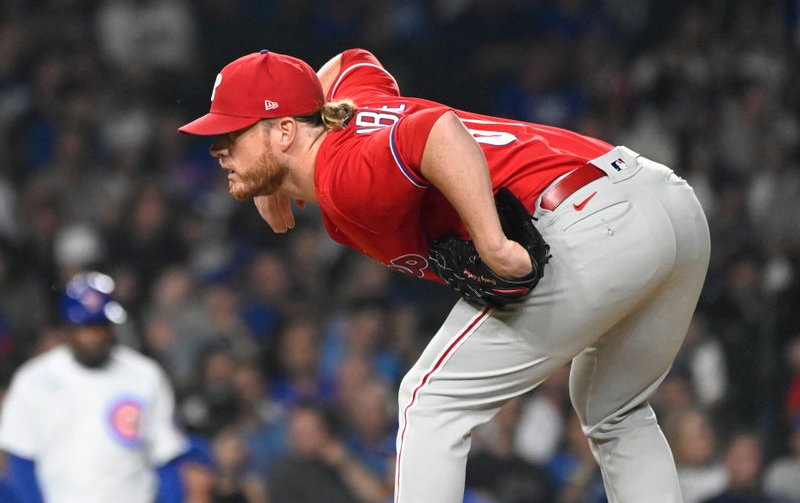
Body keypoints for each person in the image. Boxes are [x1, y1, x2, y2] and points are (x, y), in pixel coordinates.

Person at [178, 48, 711, 502]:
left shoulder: (342, 174)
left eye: (234, 133)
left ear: (286, 131)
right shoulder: (343, 113)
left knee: (428, 402)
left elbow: (434, 131)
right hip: (667, 205)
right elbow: (351, 60)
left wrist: (493, 241)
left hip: (589, 221)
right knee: (615, 412)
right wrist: (277, 171)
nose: (219, 148)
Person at [0, 271, 189, 503]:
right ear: (68, 327)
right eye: (86, 327)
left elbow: (165, 458)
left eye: (100, 326)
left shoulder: (145, 375)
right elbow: (21, 462)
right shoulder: (34, 380)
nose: (95, 337)